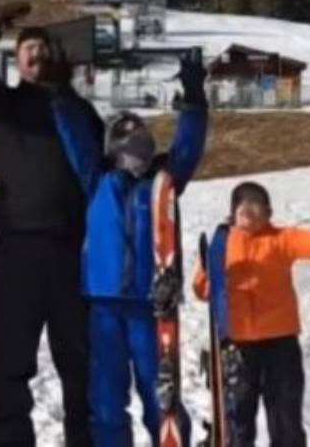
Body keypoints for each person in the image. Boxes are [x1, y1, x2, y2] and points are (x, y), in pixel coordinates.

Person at [50, 53, 209, 447]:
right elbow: (74, 138)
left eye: (137, 132)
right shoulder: (97, 178)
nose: (131, 141)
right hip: (103, 302)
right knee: (106, 401)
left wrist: (194, 98)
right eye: (122, 135)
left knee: (161, 397)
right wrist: (61, 92)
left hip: (152, 304)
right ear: (110, 145)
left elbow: (188, 146)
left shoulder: (164, 180)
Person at [0, 1, 101, 447]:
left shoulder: (80, 112)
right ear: (17, 61)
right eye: (28, 49)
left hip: (72, 250)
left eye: (43, 47)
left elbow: (100, 169)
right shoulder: (5, 104)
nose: (36, 54)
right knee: (8, 362)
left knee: (82, 365)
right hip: (16, 249)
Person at [192, 182, 310, 447]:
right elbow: (201, 288)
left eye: (256, 203)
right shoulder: (221, 245)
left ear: (268, 213)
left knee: (285, 418)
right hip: (237, 347)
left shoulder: (280, 239)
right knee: (237, 419)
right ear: (233, 212)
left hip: (281, 346)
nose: (248, 208)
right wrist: (207, 284)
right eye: (242, 203)